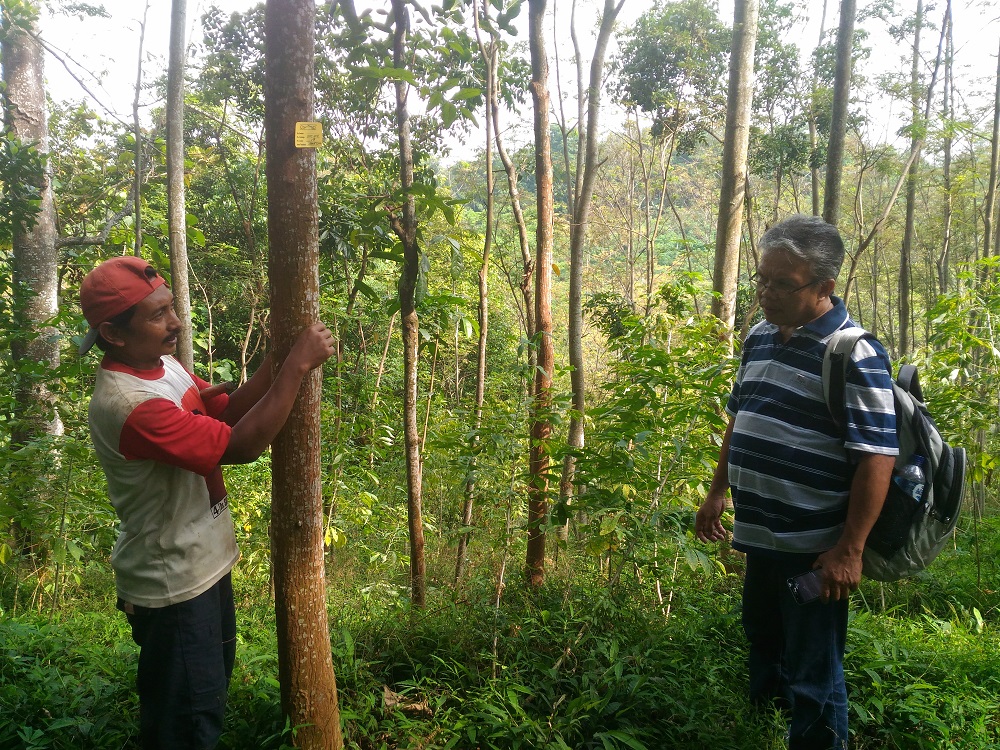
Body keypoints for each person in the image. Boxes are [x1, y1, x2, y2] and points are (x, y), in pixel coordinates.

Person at [79, 255, 335, 749]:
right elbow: (240, 446)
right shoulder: (131, 404)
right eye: (157, 316)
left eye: (171, 308)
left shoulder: (163, 365)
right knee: (187, 722)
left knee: (205, 695)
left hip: (202, 568)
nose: (174, 323)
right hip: (174, 583)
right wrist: (298, 366)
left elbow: (225, 411)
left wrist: (277, 361)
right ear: (113, 333)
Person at [695, 215, 898, 750]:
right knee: (765, 639)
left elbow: (878, 458)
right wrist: (718, 490)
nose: (766, 292)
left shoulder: (856, 355)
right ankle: (762, 724)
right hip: (761, 538)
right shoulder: (759, 336)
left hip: (814, 551)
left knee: (813, 666)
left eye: (783, 284)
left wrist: (849, 551)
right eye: (761, 278)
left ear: (825, 288)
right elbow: (741, 418)